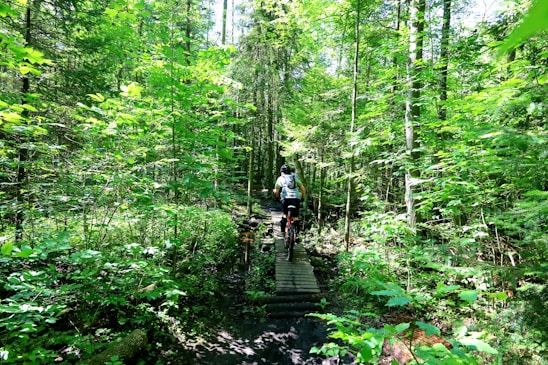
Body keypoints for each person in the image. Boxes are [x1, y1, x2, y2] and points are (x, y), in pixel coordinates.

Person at [273, 164, 306, 238]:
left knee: (285, 214)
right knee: (296, 217)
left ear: (281, 172)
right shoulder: (295, 177)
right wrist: (302, 197)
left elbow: (276, 191)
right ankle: (297, 234)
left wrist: (277, 198)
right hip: (296, 198)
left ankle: (282, 232)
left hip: (286, 199)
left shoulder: (281, 178)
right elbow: (302, 188)